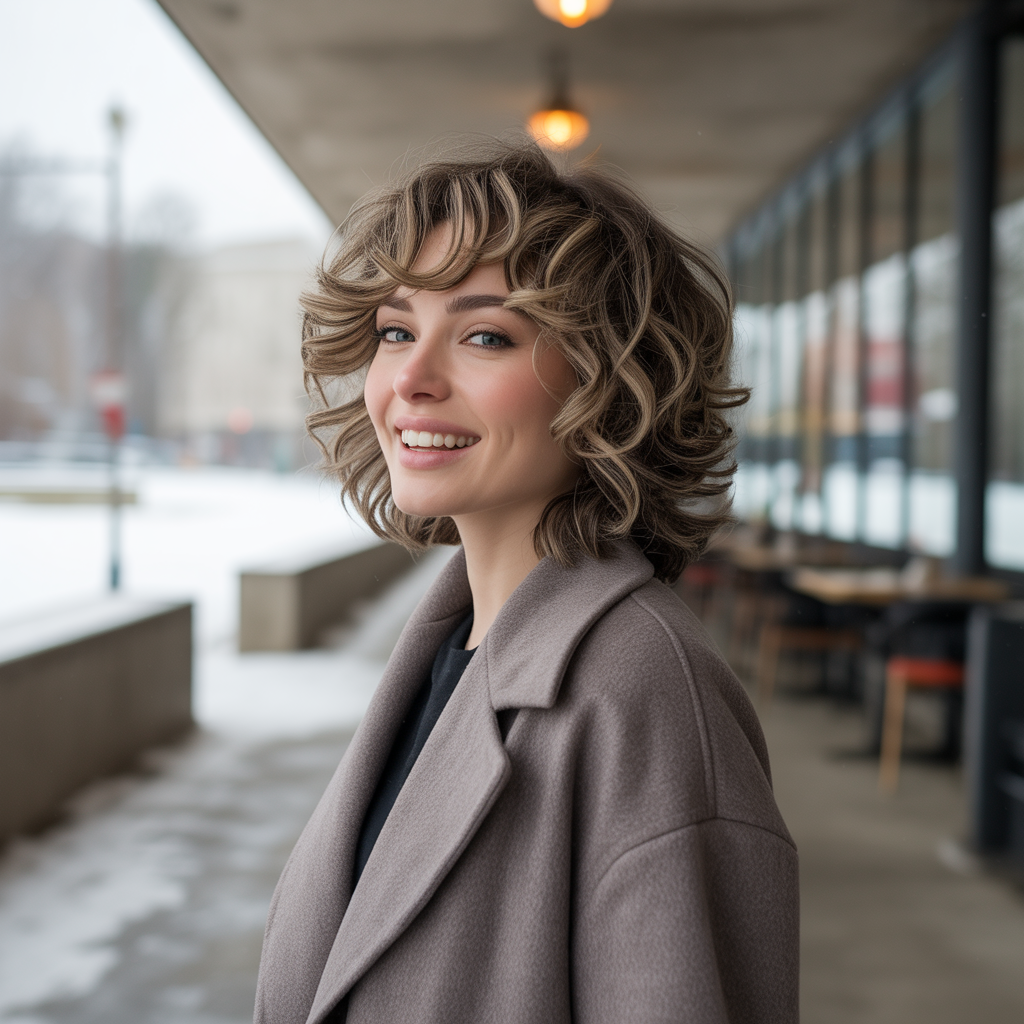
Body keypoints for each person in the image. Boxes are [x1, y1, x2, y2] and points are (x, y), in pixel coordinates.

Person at [254, 141, 798, 1024]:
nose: (413, 381)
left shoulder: (647, 693)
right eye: (397, 331)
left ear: (610, 383)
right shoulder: (451, 649)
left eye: (483, 336)